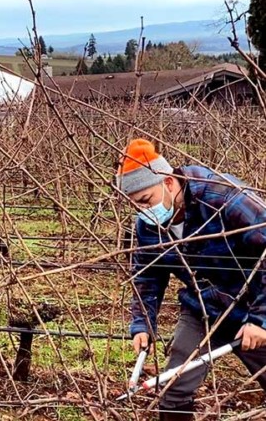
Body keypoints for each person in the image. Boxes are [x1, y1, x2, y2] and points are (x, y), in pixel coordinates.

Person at [116, 139, 266, 420]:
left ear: (169, 182)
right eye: (136, 206)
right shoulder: (148, 224)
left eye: (146, 201)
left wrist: (260, 320)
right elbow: (148, 274)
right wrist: (142, 323)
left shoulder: (225, 198)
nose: (144, 212)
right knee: (173, 392)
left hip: (253, 303)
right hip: (203, 307)